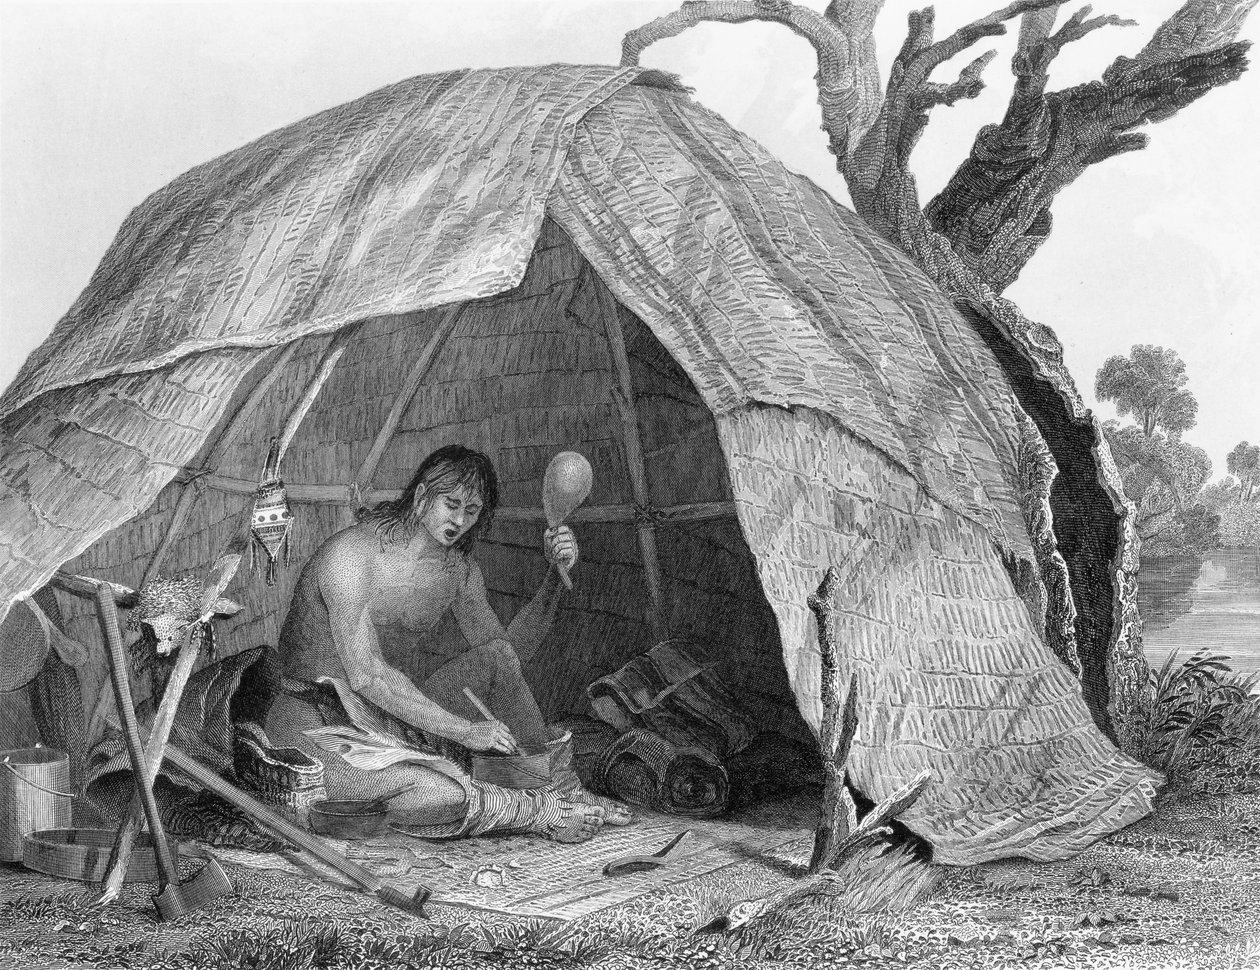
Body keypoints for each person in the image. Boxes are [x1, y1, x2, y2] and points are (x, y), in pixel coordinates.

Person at [266, 444, 630, 842]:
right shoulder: (351, 556)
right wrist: (463, 730)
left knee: (495, 659)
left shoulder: (457, 570)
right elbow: (368, 677)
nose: (459, 520)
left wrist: (553, 577)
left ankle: (562, 787)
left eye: (471, 511)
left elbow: (508, 657)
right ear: (422, 496)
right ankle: (536, 810)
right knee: (440, 794)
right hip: (317, 719)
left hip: (393, 718)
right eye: (450, 503)